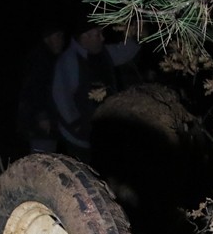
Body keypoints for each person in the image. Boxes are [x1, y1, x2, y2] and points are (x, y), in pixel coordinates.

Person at [52, 20, 140, 161]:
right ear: (85, 37)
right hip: (79, 138)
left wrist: (137, 35)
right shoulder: (69, 60)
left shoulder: (103, 53)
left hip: (102, 132)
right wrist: (76, 125)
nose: (103, 38)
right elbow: (61, 96)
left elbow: (124, 52)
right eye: (98, 34)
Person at [16, 24, 67, 154]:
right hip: (39, 122)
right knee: (42, 159)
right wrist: (42, 116)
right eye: (57, 36)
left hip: (49, 119)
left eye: (62, 36)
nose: (61, 40)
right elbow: (34, 89)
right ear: (47, 39)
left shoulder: (53, 58)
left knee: (49, 156)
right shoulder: (40, 59)